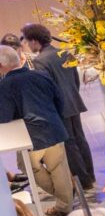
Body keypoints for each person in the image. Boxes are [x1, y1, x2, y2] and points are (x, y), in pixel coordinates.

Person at [0, 45, 73, 216]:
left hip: (30, 137)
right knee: (59, 168)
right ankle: (65, 204)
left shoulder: (4, 86)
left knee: (28, 167)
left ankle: (63, 199)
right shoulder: (41, 75)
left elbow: (4, 116)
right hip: (54, 128)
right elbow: (59, 100)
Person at [22, 23, 94, 194]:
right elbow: (75, 80)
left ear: (34, 41)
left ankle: (83, 182)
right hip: (74, 101)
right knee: (80, 139)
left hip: (59, 107)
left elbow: (47, 88)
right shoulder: (64, 53)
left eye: (26, 41)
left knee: (69, 144)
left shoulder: (40, 61)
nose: (26, 45)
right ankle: (90, 177)